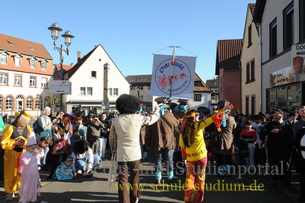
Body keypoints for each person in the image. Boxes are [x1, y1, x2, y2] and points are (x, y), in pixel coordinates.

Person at [109, 94, 160, 203]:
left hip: (121, 154)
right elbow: (153, 119)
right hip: (135, 153)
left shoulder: (115, 121)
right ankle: (135, 198)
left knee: (122, 179)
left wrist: (114, 152)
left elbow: (112, 139)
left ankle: (124, 201)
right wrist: (157, 110)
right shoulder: (139, 118)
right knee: (135, 177)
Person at [179, 103, 233, 203]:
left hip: (190, 158)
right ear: (195, 118)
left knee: (189, 179)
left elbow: (182, 145)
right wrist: (225, 108)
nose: (199, 118)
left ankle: (188, 199)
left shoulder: (182, 130)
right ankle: (198, 200)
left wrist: (184, 157)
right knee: (200, 179)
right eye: (198, 116)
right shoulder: (199, 126)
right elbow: (213, 117)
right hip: (201, 157)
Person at [145, 98, 180, 184]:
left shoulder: (153, 116)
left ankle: (158, 178)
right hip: (169, 141)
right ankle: (170, 177)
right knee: (169, 160)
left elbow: (148, 130)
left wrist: (147, 143)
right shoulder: (169, 115)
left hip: (157, 141)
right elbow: (176, 123)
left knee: (158, 160)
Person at [0, 111, 31, 201]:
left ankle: (21, 190)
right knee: (11, 173)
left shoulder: (28, 128)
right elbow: (3, 142)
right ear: (21, 119)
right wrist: (15, 142)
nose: (27, 123)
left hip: (23, 153)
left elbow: (30, 139)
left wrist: (26, 143)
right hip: (11, 154)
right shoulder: (10, 128)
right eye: (26, 121)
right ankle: (10, 191)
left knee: (22, 173)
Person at [259, 109, 294, 187]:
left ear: (282, 115)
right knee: (273, 166)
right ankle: (274, 181)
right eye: (274, 115)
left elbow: (291, 138)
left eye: (277, 115)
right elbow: (262, 133)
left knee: (285, 167)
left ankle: (285, 182)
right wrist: (270, 132)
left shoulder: (287, 126)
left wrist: (290, 149)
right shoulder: (269, 124)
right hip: (272, 149)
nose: (275, 116)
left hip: (284, 150)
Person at [213, 100, 237, 176]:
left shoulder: (217, 118)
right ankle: (228, 171)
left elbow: (213, 129)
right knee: (228, 157)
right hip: (229, 139)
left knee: (219, 157)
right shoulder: (231, 118)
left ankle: (221, 172)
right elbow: (234, 128)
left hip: (218, 139)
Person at [18, 133, 43, 203]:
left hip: (34, 172)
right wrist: (32, 157)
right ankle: (25, 198)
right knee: (27, 185)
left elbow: (41, 153)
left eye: (34, 148)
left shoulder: (35, 153)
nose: (33, 149)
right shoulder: (25, 155)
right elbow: (25, 162)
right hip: (27, 172)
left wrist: (39, 149)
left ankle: (32, 197)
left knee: (33, 184)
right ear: (27, 147)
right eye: (32, 148)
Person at [48, 113, 73, 179]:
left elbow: (69, 135)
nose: (65, 121)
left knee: (64, 160)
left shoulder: (70, 126)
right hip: (57, 145)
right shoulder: (58, 125)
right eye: (64, 119)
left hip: (65, 145)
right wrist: (58, 131)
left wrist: (66, 130)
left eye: (67, 120)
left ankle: (62, 174)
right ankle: (52, 174)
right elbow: (55, 134)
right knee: (55, 160)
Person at [294, 126, 305, 202]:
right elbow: (296, 143)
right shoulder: (301, 131)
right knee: (303, 178)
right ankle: (303, 195)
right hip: (302, 158)